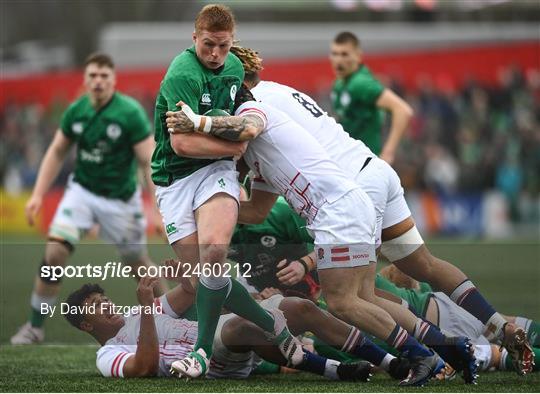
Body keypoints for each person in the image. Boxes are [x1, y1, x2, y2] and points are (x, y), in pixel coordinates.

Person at [226, 44, 534, 376]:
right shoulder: (281, 93)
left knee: (353, 299)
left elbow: (241, 148)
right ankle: (497, 324)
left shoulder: (254, 108)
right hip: (374, 171)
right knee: (423, 265)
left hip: (350, 191)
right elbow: (258, 208)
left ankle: (445, 351)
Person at [165, 91, 467, 387]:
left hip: (336, 212)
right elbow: (256, 211)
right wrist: (207, 211)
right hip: (347, 204)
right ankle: (444, 347)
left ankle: (421, 355)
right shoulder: (262, 154)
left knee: (341, 303)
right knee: (364, 299)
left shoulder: (253, 113)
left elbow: (245, 129)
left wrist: (196, 121)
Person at [150, 3, 302, 379]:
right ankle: (272, 323)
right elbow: (183, 145)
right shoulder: (181, 75)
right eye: (207, 46)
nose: (216, 54)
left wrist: (230, 142)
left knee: (215, 249)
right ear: (194, 39)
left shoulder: (234, 68)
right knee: (197, 276)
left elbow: (240, 119)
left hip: (214, 172)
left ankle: (200, 354)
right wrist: (234, 147)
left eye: (222, 45)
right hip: (173, 179)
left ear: (232, 41)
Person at [11, 52, 166, 345]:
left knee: (137, 263)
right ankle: (35, 326)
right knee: (54, 253)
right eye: (93, 76)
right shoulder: (77, 111)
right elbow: (57, 150)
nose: (98, 81)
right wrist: (37, 195)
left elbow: (148, 161)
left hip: (121, 200)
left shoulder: (129, 112)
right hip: (81, 192)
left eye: (104, 76)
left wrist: (157, 210)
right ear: (85, 80)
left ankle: (175, 317)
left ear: (113, 80)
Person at [64, 274, 399, 382]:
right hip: (207, 362)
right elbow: (145, 367)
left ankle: (388, 362)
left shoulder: (142, 312)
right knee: (241, 323)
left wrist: (186, 278)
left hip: (217, 334)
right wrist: (148, 311)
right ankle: (332, 369)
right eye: (96, 305)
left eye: (103, 297)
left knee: (299, 307)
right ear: (86, 323)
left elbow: (191, 292)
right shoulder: (107, 355)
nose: (106, 304)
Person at [329, 31, 413, 165]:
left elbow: (403, 110)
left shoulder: (360, 84)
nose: (339, 60)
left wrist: (388, 152)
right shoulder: (339, 84)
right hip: (349, 162)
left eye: (344, 54)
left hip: (367, 164)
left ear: (358, 56)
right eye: (335, 54)